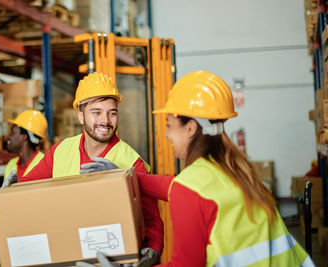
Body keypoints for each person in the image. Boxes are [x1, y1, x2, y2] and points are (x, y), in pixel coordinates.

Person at [79, 71, 314, 267]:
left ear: (191, 128)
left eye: (170, 125)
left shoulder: (192, 189)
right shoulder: (236, 169)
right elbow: (176, 186)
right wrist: (125, 177)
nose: (166, 134)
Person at [20, 72, 163, 266]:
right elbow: (25, 192)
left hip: (112, 259)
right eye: (96, 112)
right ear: (80, 115)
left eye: (112, 112)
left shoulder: (132, 161)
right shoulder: (60, 151)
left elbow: (151, 219)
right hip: (67, 256)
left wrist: (153, 250)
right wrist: (11, 189)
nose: (105, 120)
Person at [0, 109, 48, 261]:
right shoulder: (11, 166)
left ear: (24, 137)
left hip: (38, 238)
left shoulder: (44, 164)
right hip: (15, 238)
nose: (8, 137)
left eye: (13, 133)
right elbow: (4, 205)